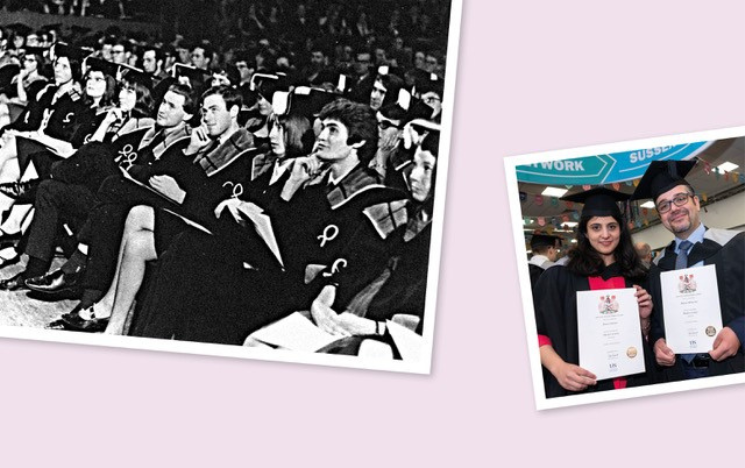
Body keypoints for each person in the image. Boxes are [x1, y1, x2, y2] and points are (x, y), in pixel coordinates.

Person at [129, 99, 403, 344]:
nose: (321, 137)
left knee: (203, 271)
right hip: (274, 271)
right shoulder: (313, 182)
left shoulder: (371, 195)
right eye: (324, 128)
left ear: (357, 142)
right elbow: (275, 227)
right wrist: (291, 186)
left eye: (334, 131)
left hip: (302, 288)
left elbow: (347, 261)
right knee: (190, 247)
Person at [57, 84, 256, 333]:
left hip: (207, 235)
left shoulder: (246, 155)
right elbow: (181, 179)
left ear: (235, 111)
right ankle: (114, 323)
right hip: (186, 215)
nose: (207, 117)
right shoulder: (208, 141)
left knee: (118, 191)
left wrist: (183, 197)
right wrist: (190, 152)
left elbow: (215, 207)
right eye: (204, 111)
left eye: (215, 110)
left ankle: (104, 301)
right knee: (137, 225)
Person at [534, 187, 654, 398]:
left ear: (621, 230)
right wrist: (558, 368)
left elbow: (648, 338)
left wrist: (645, 320)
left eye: (612, 226)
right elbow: (536, 333)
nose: (605, 234)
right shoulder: (559, 278)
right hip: (581, 387)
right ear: (585, 232)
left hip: (637, 383)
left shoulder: (638, 276)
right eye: (596, 227)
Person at [631, 160, 744, 380]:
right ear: (661, 216)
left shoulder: (736, 246)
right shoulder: (657, 267)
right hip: (679, 373)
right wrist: (657, 342)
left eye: (680, 198)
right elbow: (655, 322)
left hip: (733, 368)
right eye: (664, 205)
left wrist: (739, 332)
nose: (673, 208)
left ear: (696, 202)